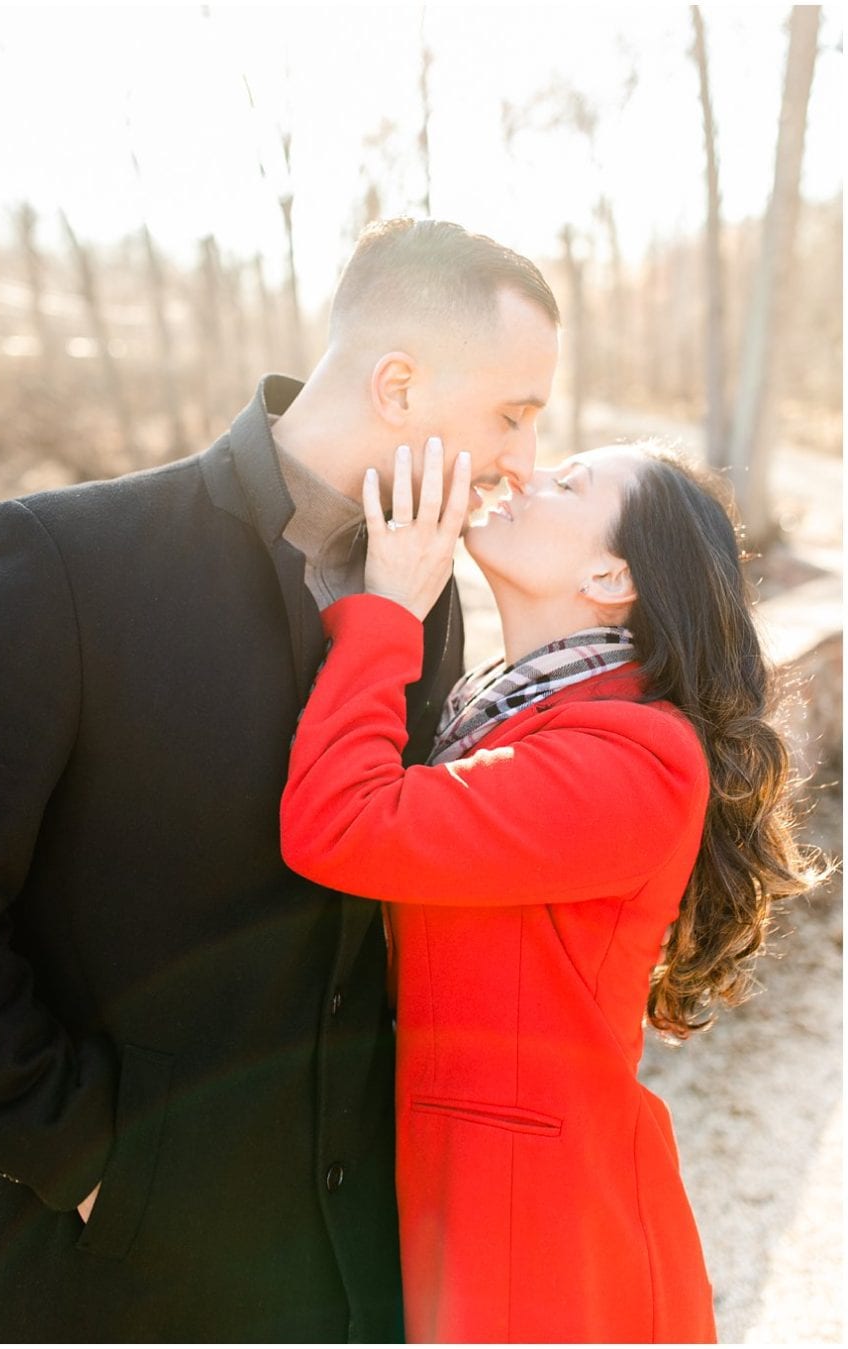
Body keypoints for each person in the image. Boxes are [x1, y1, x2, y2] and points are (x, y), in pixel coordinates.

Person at [0, 218, 560, 1342]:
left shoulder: (428, 592)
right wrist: (85, 1158)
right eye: (512, 415)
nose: (525, 460)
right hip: (120, 1274)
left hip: (352, 1278)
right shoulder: (65, 560)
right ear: (398, 383)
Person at [280, 439, 816, 1343]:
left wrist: (385, 613)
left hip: (548, 1243)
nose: (527, 475)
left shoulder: (636, 761)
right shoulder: (509, 715)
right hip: (468, 1201)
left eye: (570, 483)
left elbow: (341, 822)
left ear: (612, 575)